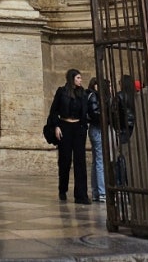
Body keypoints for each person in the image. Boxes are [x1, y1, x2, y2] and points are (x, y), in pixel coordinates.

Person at [47, 68, 90, 204]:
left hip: (78, 128)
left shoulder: (82, 93)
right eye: (78, 78)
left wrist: (84, 126)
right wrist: (56, 126)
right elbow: (54, 111)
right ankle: (62, 189)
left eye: (80, 78)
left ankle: (81, 195)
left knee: (80, 161)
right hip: (64, 127)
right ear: (72, 79)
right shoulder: (62, 92)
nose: (80, 80)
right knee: (65, 160)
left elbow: (86, 112)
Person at [86, 77, 105, 203]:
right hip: (97, 128)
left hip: (95, 129)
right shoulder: (94, 96)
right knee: (100, 161)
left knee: (97, 161)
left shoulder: (92, 95)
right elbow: (95, 113)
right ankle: (102, 192)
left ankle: (96, 192)